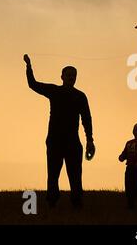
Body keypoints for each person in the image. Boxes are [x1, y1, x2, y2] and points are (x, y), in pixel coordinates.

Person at [23, 54, 96, 209]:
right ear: (62, 77)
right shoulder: (54, 91)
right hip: (55, 141)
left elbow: (87, 119)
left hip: (72, 142)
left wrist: (90, 140)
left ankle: (76, 202)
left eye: (73, 75)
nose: (71, 78)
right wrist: (29, 67)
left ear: (76, 78)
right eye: (68, 75)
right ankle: (52, 202)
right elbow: (33, 84)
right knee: (53, 174)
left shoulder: (80, 96)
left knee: (75, 175)